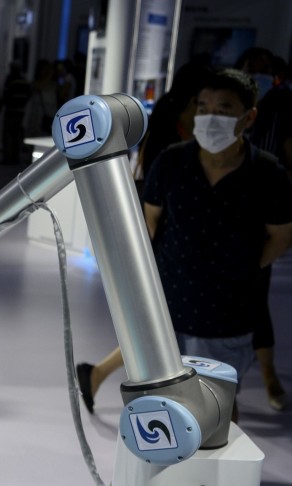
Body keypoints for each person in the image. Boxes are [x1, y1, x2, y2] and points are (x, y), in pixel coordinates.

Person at [142, 68, 292, 421]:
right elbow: (150, 223)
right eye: (204, 106)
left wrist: (244, 268)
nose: (210, 117)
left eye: (224, 109)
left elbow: (282, 235)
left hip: (227, 313)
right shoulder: (171, 162)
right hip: (169, 305)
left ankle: (215, 475)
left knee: (218, 405)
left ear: (248, 116)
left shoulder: (268, 173)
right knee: (160, 401)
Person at [75, 61, 212, 413]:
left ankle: (99, 373)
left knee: (161, 325)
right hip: (168, 232)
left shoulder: (168, 114)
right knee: (159, 325)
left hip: (167, 230)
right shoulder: (175, 132)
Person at [241, 49, 290, 411]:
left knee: (256, 302)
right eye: (250, 69)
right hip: (219, 215)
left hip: (258, 220)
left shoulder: (283, 106)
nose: (256, 74)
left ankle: (269, 377)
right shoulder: (228, 105)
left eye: (263, 70)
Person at [0, 60, 31, 165]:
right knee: (17, 135)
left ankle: (8, 158)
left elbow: (6, 95)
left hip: (11, 110)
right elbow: (28, 94)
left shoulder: (10, 80)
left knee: (8, 134)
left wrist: (1, 105)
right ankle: (15, 157)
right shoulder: (24, 80)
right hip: (20, 111)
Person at [24, 59, 57, 138]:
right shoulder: (35, 83)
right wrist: (49, 76)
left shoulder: (54, 84)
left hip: (50, 114)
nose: (46, 72)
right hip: (37, 115)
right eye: (44, 69)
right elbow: (38, 87)